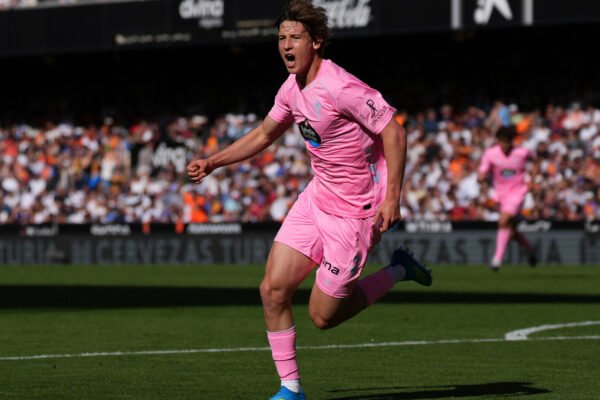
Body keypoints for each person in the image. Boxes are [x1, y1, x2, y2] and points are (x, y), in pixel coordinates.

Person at [187, 1, 432, 398]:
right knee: (272, 290)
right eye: (281, 38)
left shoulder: (340, 86)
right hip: (317, 200)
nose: (286, 45)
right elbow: (264, 134)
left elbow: (394, 132)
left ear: (316, 41)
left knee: (322, 317)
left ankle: (399, 269)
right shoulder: (291, 89)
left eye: (295, 37)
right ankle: (291, 388)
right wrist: (214, 162)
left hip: (355, 213)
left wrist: (392, 198)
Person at [478, 125, 538, 270]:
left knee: (503, 221)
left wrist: (532, 180)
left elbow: (535, 160)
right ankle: (529, 249)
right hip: (499, 195)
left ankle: (497, 260)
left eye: (507, 141)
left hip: (517, 193)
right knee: (510, 229)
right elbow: (482, 170)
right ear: (498, 140)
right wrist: (481, 177)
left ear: (512, 141)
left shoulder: (522, 152)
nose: (504, 144)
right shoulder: (490, 153)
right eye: (502, 141)